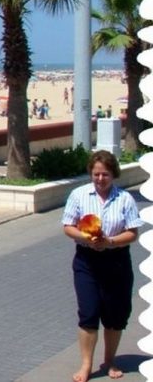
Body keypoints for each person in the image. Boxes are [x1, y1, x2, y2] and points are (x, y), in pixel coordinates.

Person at [62, 150, 142, 382]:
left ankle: (109, 360)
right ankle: (86, 365)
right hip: (87, 262)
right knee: (88, 313)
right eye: (96, 174)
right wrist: (87, 237)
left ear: (113, 174)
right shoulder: (79, 195)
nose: (100, 179)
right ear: (91, 173)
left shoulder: (124, 198)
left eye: (105, 174)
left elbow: (133, 232)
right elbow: (68, 226)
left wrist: (110, 242)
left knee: (115, 315)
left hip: (116, 262)